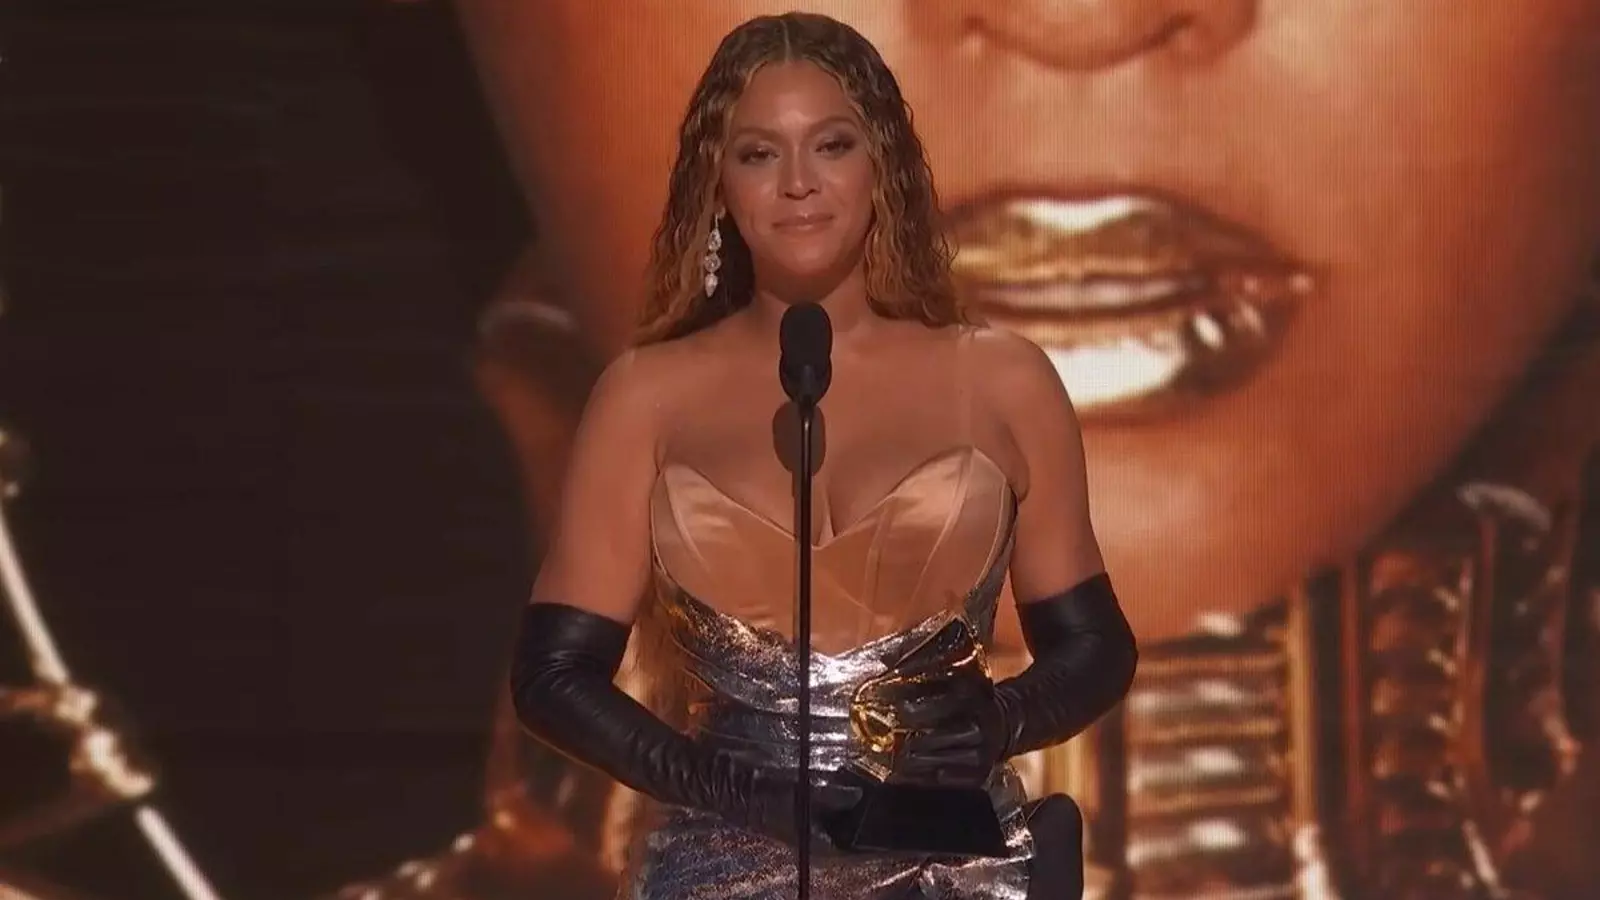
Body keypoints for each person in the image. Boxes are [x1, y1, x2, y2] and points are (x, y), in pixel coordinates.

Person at [505, 13, 1138, 900]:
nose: (798, 183)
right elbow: (552, 676)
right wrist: (736, 789)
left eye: (831, 145)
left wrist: (1001, 718)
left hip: (954, 865)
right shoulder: (645, 397)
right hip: (722, 866)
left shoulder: (1002, 381)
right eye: (759, 154)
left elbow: (1095, 647)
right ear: (717, 185)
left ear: (883, 167)